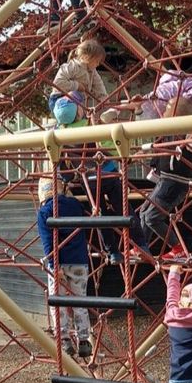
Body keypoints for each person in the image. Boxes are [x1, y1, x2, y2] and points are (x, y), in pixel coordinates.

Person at [130, 72, 192, 260]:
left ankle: (179, 249)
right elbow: (149, 141)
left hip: (175, 184)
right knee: (144, 212)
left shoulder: (189, 134)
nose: (163, 112)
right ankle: (140, 249)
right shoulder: (166, 132)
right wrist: (137, 110)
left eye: (168, 109)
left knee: (151, 216)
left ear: (176, 113)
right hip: (166, 182)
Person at [52, 94, 123, 265]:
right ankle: (139, 242)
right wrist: (122, 155)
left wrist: (67, 177)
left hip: (87, 180)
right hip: (107, 173)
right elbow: (107, 146)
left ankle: (112, 251)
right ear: (77, 112)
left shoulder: (59, 134)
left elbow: (63, 165)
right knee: (123, 207)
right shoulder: (89, 125)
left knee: (99, 213)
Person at [36, 176, 92, 359]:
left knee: (57, 301)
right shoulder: (75, 205)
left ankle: (65, 339)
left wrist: (54, 266)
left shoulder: (44, 211)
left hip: (59, 263)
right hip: (79, 261)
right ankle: (84, 339)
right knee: (80, 300)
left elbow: (47, 243)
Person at [49, 38, 110, 120]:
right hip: (59, 99)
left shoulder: (92, 71)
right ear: (86, 57)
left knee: (83, 120)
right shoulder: (72, 66)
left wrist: (103, 96)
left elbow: (98, 84)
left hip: (76, 103)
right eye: (97, 61)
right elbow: (57, 83)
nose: (98, 64)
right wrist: (77, 86)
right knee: (75, 95)